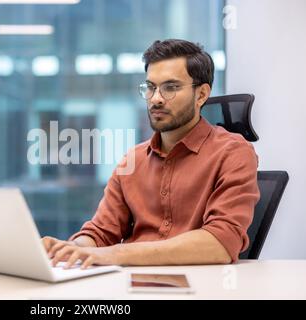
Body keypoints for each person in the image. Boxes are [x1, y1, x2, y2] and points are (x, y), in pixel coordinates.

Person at [42, 39, 260, 269]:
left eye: (170, 87)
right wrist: (74, 248)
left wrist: (114, 254)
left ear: (201, 94)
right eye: (151, 87)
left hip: (200, 289)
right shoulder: (133, 159)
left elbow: (220, 243)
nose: (156, 98)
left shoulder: (234, 153)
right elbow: (101, 233)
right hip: (130, 288)